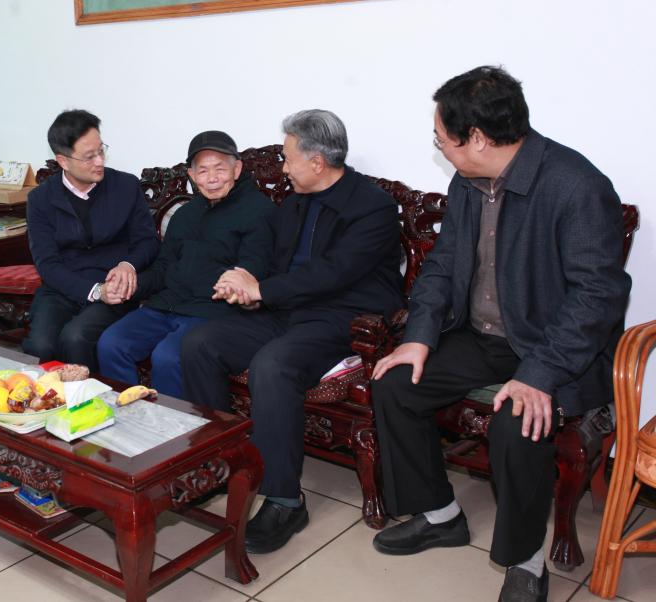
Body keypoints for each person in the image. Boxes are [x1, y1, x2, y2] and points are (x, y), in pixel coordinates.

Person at [369, 66, 631, 602]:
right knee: (396, 384)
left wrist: (539, 375)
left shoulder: (576, 186)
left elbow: (596, 298)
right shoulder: (468, 182)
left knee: (518, 424)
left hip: (555, 352)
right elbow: (443, 265)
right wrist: (418, 337)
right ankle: (440, 515)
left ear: (478, 139)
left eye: (442, 139)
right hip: (485, 337)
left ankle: (525, 561)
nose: (441, 149)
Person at [181, 110, 404, 554]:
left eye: (287, 158)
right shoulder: (296, 201)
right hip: (287, 309)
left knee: (274, 364)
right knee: (200, 344)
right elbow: (276, 264)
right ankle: (222, 465)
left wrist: (262, 290)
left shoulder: (372, 207)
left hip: (342, 317)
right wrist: (245, 285)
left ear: (317, 162)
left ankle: (285, 499)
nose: (282, 168)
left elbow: (334, 273)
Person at [96, 130, 276, 397]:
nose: (212, 178)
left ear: (237, 169)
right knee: (111, 343)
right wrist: (129, 285)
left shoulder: (259, 211)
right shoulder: (185, 214)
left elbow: (253, 270)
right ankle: (130, 415)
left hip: (213, 311)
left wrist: (234, 286)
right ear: (192, 175)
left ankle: (172, 423)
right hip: (166, 305)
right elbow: (163, 267)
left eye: (220, 169)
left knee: (168, 357)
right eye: (203, 171)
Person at [22, 109, 160, 372]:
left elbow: (148, 241)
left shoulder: (125, 186)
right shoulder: (41, 199)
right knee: (40, 346)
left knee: (75, 338)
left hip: (115, 287)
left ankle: (94, 397)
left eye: (101, 151)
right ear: (63, 161)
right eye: (89, 156)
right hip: (63, 287)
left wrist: (128, 265)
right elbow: (47, 264)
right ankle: (50, 398)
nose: (99, 161)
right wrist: (96, 291)